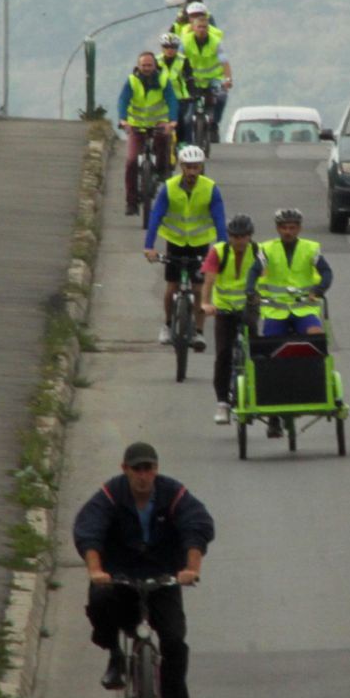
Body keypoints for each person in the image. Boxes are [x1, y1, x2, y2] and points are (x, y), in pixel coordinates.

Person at [73, 442, 213, 698]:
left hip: (163, 577)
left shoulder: (172, 493)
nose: (142, 475)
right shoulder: (111, 495)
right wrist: (96, 571)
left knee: (174, 640)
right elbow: (89, 530)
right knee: (100, 601)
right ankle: (115, 656)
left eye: (148, 468)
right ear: (125, 469)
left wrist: (191, 568)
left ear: (156, 470)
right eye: (136, 468)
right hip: (119, 577)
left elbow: (197, 525)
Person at [246, 207, 333, 438]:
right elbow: (254, 272)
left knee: (316, 339)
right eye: (284, 227)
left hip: (304, 308)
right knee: (269, 353)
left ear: (299, 228)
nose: (288, 231)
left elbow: (326, 272)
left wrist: (319, 289)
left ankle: (315, 387)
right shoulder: (266, 249)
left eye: (292, 227)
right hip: (275, 312)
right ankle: (273, 418)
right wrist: (250, 292)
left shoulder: (310, 248)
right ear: (277, 229)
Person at [144, 145, 227, 346]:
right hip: (175, 242)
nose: (192, 172)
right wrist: (149, 246)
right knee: (172, 287)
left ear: (201, 168)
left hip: (200, 244)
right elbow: (156, 216)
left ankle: (198, 332)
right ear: (181, 167)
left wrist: (223, 249)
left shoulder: (210, 188)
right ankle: (167, 324)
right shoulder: (170, 187)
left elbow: (219, 219)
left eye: (196, 167)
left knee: (199, 289)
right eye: (188, 167)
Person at [198, 213, 262, 425]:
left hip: (249, 307)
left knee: (256, 351)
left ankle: (259, 394)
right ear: (229, 237)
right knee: (223, 353)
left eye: (243, 236)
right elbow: (208, 281)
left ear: (250, 236)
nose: (239, 241)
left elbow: (268, 277)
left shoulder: (258, 252)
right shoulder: (219, 251)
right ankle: (223, 403)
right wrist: (206, 304)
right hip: (223, 309)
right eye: (235, 236)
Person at [116, 51, 178, 216]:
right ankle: (131, 203)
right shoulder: (132, 81)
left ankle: (162, 170)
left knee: (164, 140)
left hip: (158, 124)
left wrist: (172, 121)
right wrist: (123, 120)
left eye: (149, 65)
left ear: (154, 66)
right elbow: (123, 100)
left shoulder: (163, 80)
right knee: (131, 161)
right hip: (137, 127)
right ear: (138, 66)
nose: (147, 68)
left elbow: (172, 100)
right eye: (144, 65)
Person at [179, 3, 233, 136]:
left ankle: (214, 124)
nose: (201, 30)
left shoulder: (215, 42)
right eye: (199, 27)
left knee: (221, 97)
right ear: (193, 28)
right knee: (188, 114)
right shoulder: (185, 41)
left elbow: (225, 62)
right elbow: (178, 61)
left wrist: (227, 79)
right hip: (193, 79)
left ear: (208, 28)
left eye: (204, 27)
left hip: (213, 78)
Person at [154, 32, 201, 145]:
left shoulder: (183, 60)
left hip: (180, 98)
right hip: (160, 99)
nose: (170, 50)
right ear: (162, 47)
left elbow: (189, 79)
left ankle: (186, 145)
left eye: (173, 47)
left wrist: (193, 94)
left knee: (185, 123)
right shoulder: (155, 60)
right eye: (166, 47)